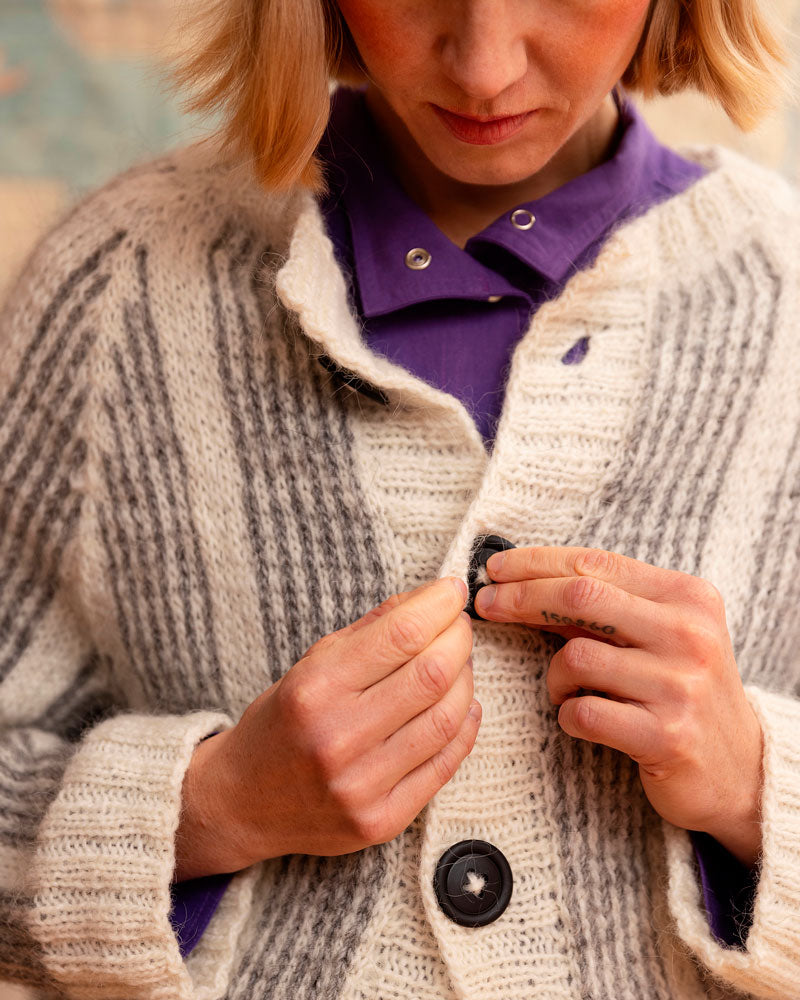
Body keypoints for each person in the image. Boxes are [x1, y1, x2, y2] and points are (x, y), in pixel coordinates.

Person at [1, 0, 799, 996]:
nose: (483, 69)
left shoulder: (784, 301)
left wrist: (752, 784)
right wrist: (212, 807)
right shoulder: (118, 285)